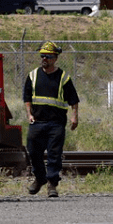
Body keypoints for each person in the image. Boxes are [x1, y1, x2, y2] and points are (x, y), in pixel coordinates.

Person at [23, 41, 80, 198]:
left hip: (56, 123)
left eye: (47, 56)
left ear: (55, 58)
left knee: (54, 155)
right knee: (34, 152)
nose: (44, 59)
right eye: (42, 56)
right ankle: (40, 178)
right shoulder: (33, 76)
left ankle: (52, 185)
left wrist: (75, 116)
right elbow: (27, 98)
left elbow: (73, 100)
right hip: (37, 122)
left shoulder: (63, 78)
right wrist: (29, 114)